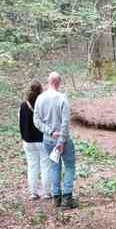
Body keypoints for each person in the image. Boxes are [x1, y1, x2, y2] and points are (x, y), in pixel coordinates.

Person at [33, 72, 78, 209]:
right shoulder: (62, 98)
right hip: (62, 140)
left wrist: (50, 132)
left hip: (48, 140)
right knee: (69, 166)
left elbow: (37, 120)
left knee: (54, 167)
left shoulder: (40, 98)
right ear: (58, 83)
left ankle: (56, 198)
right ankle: (66, 199)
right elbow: (65, 123)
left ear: (48, 82)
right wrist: (61, 142)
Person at [19, 80, 51, 200]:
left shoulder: (23, 105)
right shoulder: (43, 104)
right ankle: (47, 193)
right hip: (42, 140)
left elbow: (20, 122)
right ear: (41, 90)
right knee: (45, 166)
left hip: (28, 141)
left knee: (32, 167)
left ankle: (33, 193)